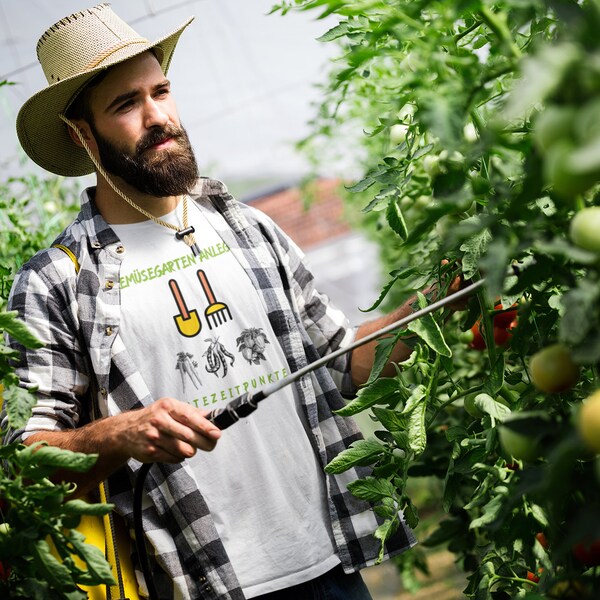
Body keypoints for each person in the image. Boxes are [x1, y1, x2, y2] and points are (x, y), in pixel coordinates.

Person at [2, 4, 427, 599]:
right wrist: (117, 434)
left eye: (161, 91)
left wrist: (435, 308)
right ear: (82, 133)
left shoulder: (245, 226)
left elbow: (342, 361)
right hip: (205, 584)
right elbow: (24, 461)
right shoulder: (56, 282)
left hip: (330, 564)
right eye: (126, 105)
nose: (158, 117)